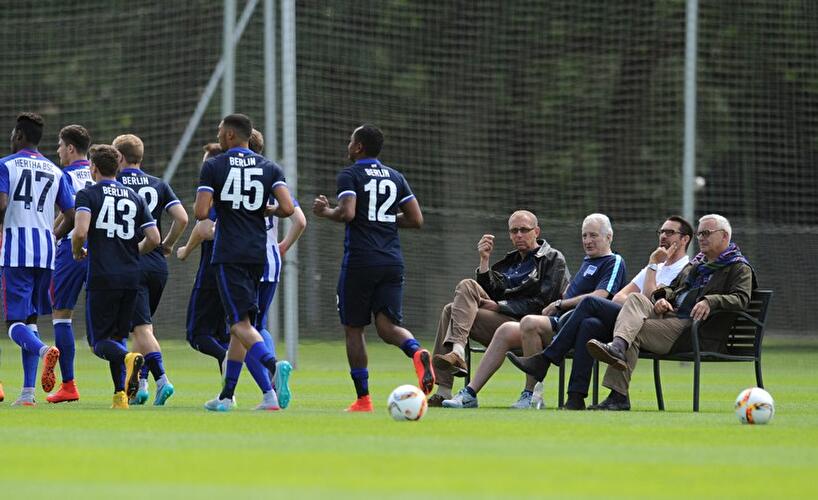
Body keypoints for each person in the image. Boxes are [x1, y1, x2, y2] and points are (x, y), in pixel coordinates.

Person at [442, 213, 627, 409]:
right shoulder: (587, 262)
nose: (587, 241)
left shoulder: (612, 261)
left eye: (593, 236)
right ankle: (469, 393)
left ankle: (531, 395)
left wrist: (559, 304)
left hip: (576, 326)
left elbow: (600, 296)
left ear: (609, 237)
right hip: (557, 322)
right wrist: (485, 263)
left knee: (529, 321)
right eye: (584, 236)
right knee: (500, 327)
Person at [506, 216, 693, 410]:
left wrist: (651, 269)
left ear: (684, 239)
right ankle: (575, 398)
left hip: (652, 324)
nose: (663, 236)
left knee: (590, 302)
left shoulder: (684, 269)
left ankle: (546, 359)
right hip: (627, 319)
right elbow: (619, 297)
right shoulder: (655, 266)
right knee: (589, 325)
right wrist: (639, 297)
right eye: (661, 232)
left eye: (670, 232)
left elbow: (648, 300)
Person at [312, 124, 433, 412]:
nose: (347, 144)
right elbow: (416, 219)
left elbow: (348, 212)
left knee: (354, 329)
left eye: (350, 140)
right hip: (391, 260)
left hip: (360, 261)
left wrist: (325, 212)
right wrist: (386, 220)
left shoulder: (350, 175)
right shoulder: (395, 176)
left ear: (358, 148)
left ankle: (364, 399)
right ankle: (417, 352)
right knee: (388, 326)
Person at [585, 214, 756, 410]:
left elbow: (741, 299)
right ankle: (617, 347)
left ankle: (618, 396)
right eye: (699, 233)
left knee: (632, 331)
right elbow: (673, 289)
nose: (700, 237)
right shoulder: (697, 264)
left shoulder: (739, 267)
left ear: (724, 236)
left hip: (696, 329)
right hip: (673, 318)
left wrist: (711, 300)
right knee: (635, 299)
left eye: (706, 233)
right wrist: (661, 299)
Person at [195, 113, 294, 412]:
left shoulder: (214, 166)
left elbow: (201, 213)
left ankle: (273, 366)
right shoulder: (270, 167)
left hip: (229, 252)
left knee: (238, 323)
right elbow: (288, 209)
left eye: (219, 131)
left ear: (228, 136)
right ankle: (227, 395)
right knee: (242, 324)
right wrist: (265, 210)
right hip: (258, 254)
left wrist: (223, 203)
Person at [428, 210, 569, 407]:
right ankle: (446, 383)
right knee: (453, 306)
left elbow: (543, 302)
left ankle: (457, 356)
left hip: (531, 326)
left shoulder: (553, 258)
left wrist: (500, 306)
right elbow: (491, 293)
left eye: (524, 230)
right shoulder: (510, 261)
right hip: (503, 322)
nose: (518, 235)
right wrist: (484, 261)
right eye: (513, 231)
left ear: (536, 231)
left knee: (456, 305)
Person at [72, 144, 160, 408]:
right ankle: (120, 396)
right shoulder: (135, 197)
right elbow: (154, 238)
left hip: (103, 276)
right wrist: (134, 250)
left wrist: (78, 251)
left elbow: (80, 232)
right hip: (131, 276)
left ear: (94, 168)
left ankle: (129, 359)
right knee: (118, 337)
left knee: (99, 343)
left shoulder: (88, 194)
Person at [0, 112, 76, 406]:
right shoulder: (55, 171)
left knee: (15, 323)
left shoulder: (6, 165)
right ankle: (28, 394)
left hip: (15, 249)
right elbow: (70, 214)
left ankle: (45, 351)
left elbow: (2, 203)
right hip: (46, 252)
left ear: (19, 136)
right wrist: (53, 235)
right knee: (30, 320)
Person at [113, 134, 189, 406]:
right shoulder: (159, 184)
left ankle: (162, 380)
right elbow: (182, 218)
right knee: (142, 327)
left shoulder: (114, 183)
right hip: (157, 263)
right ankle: (139, 386)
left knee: (141, 329)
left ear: (119, 157)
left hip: (131, 260)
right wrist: (167, 245)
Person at [46, 124, 94, 403]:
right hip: (105, 250)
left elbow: (71, 213)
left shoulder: (63, 175)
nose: (58, 151)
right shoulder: (102, 171)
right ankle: (127, 385)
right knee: (114, 322)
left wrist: (51, 235)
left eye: (60, 145)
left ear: (71, 148)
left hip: (74, 248)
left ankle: (69, 385)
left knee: (61, 314)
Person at [177, 143, 229, 371]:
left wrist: (186, 250)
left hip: (212, 270)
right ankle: (228, 393)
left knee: (197, 334)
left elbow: (206, 227)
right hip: (240, 269)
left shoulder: (214, 196)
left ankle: (251, 362)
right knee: (224, 333)